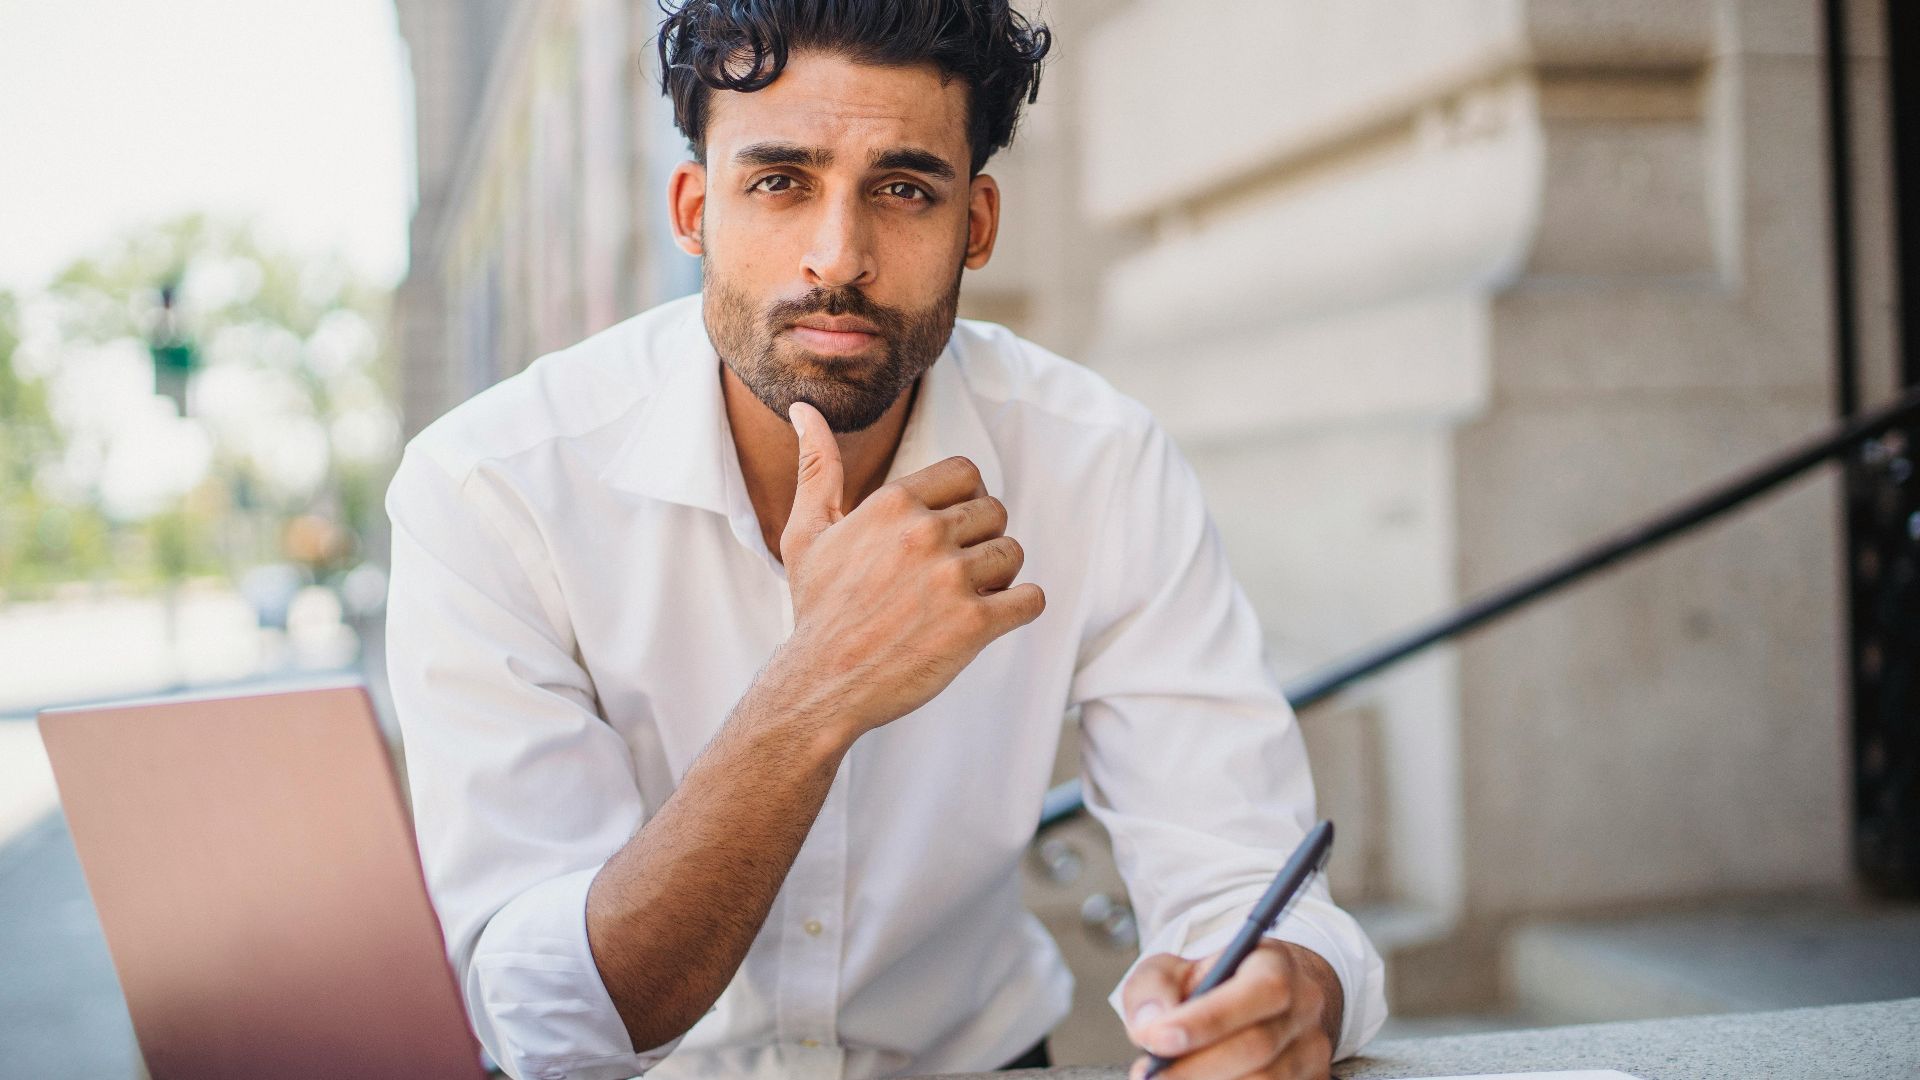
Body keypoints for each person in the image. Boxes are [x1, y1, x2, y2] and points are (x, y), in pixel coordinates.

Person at [383, 2, 1387, 1078]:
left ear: (979, 223)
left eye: (904, 189)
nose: (839, 256)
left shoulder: (1096, 460)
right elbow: (549, 1019)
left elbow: (1237, 860)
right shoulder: (493, 486)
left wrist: (1282, 990)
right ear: (694, 208)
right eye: (779, 181)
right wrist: (816, 687)